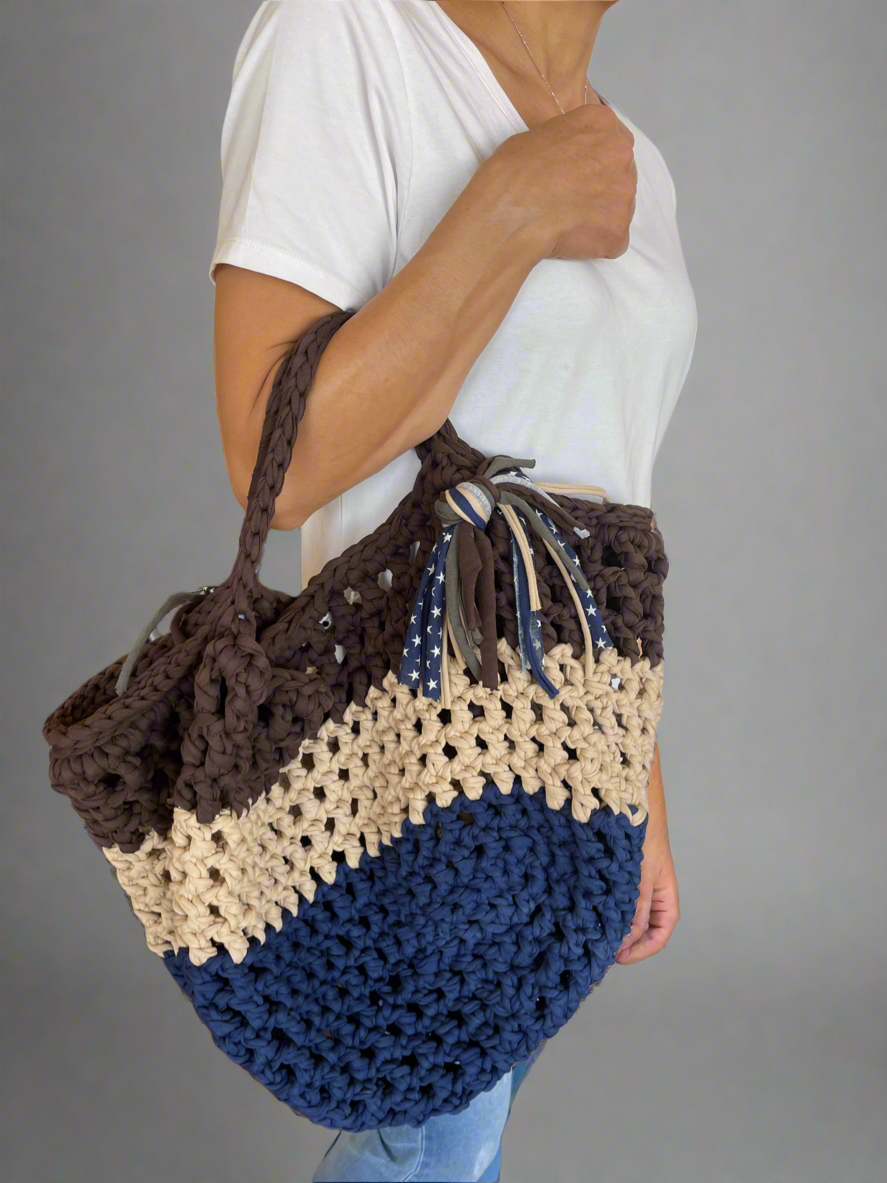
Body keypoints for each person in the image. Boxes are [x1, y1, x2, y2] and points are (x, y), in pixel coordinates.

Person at [210, 2, 693, 1178]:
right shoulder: (346, 34)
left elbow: (602, 491)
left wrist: (638, 785)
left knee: (437, 1133)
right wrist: (513, 207)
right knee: (434, 1134)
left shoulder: (635, 160)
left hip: (571, 746)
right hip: (414, 725)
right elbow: (275, 456)